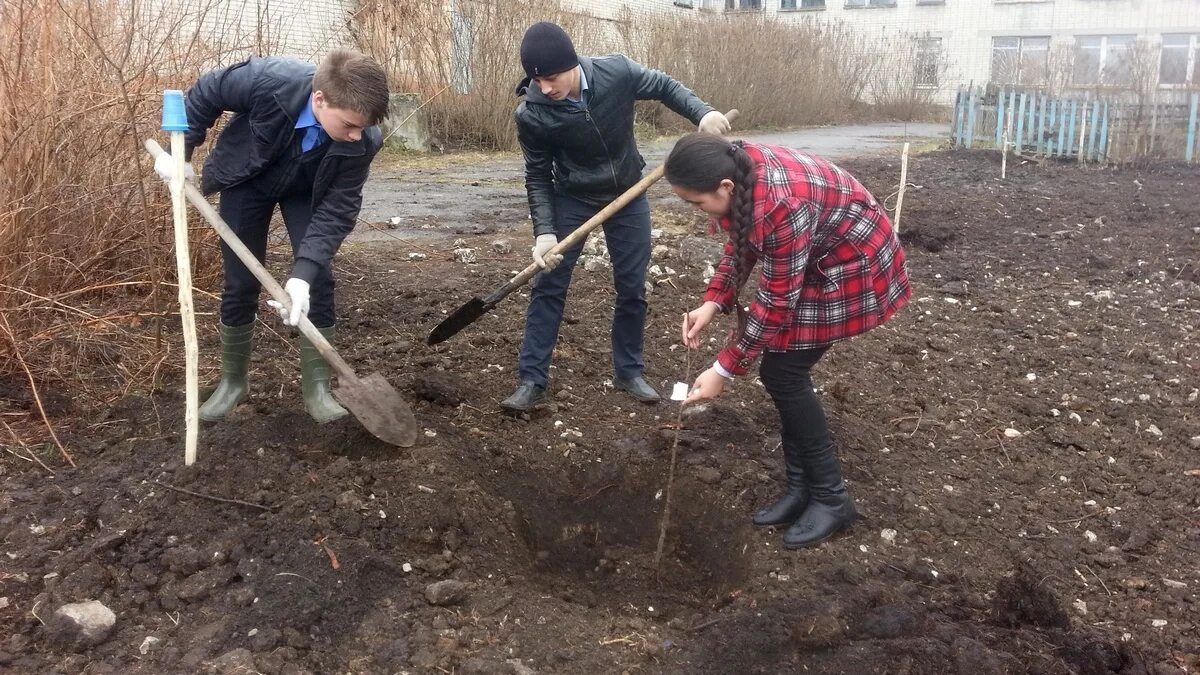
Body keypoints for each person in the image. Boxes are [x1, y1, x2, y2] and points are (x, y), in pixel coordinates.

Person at [665, 133, 911, 549]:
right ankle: (801, 490)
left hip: (854, 264)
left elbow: (777, 299)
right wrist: (714, 301)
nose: (695, 212)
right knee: (782, 371)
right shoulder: (740, 173)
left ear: (725, 187)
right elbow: (742, 243)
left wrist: (723, 367)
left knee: (785, 371)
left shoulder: (780, 204)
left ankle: (832, 499)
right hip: (819, 256)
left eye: (696, 202)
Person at [500, 21, 731, 413]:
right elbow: (537, 176)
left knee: (631, 286)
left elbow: (664, 86)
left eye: (551, 78)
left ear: (572, 64)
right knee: (549, 285)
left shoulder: (616, 72)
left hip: (628, 192)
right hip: (570, 197)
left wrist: (703, 114)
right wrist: (544, 232)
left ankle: (628, 371)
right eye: (536, 80)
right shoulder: (532, 115)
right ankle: (532, 379)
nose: (545, 88)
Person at [154, 49, 390, 423]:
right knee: (240, 281)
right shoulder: (270, 80)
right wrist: (179, 152)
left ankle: (317, 389)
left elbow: (339, 209)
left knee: (320, 280)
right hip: (247, 179)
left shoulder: (361, 141)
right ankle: (233, 383)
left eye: (362, 127)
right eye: (348, 124)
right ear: (320, 99)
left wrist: (302, 275)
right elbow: (206, 92)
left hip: (306, 189)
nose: (355, 135)